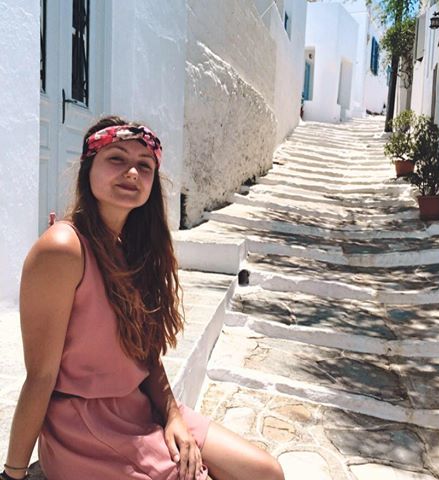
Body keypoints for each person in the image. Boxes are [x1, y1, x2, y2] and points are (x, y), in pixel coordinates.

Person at [2, 116, 285, 480]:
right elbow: (40, 375)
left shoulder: (135, 248)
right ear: (89, 167)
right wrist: (13, 473)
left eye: (145, 165)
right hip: (87, 426)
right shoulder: (63, 249)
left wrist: (173, 416)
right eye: (116, 159)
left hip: (140, 406)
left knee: (266, 472)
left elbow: (146, 353)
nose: (132, 172)